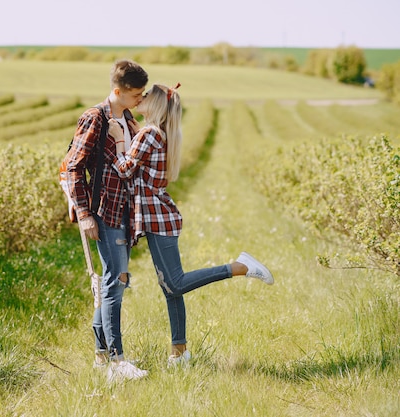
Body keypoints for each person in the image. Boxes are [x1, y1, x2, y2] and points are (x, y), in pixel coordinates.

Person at [108, 83, 274, 366]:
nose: (141, 98)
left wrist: (118, 139)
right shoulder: (158, 133)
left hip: (157, 218)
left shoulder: (150, 133)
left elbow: (124, 170)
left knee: (175, 282)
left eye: (146, 96)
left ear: (157, 104)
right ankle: (180, 352)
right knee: (170, 287)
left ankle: (239, 267)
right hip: (159, 217)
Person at [63, 60, 149, 381]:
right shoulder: (95, 118)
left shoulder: (127, 117)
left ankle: (101, 357)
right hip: (105, 210)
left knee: (115, 280)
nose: (140, 99)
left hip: (125, 210)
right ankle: (117, 361)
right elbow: (74, 167)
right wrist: (85, 214)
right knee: (116, 279)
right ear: (118, 91)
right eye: (136, 94)